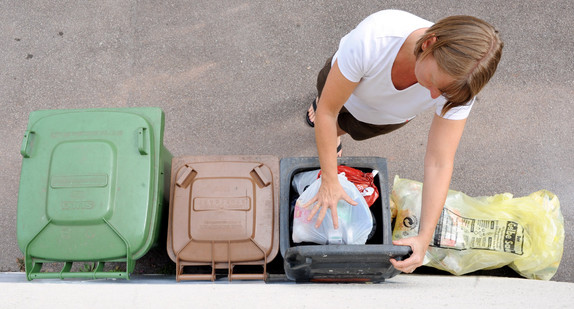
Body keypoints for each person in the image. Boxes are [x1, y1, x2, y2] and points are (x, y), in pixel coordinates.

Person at [303, 10, 503, 274]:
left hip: (382, 118)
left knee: (348, 128)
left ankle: (338, 134)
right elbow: (329, 112)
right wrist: (329, 180)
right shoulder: (374, 39)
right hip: (342, 85)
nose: (433, 95)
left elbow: (439, 161)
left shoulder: (457, 88)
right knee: (325, 111)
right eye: (433, 82)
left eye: (441, 93)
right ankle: (324, 117)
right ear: (429, 43)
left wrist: (424, 236)